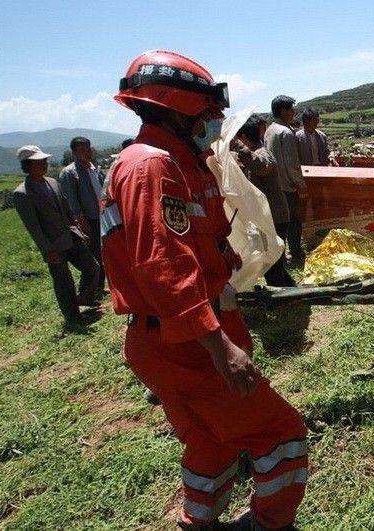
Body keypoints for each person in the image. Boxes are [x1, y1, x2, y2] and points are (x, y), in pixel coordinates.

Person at [103, 50, 308, 529]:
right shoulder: (153, 167)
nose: (214, 122)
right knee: (279, 434)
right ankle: (270, 524)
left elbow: (186, 242)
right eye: (206, 114)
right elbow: (162, 265)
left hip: (167, 339)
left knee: (211, 442)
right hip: (189, 343)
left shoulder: (181, 164)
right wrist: (219, 346)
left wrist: (222, 257)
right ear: (176, 111)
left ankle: (197, 521)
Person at [13, 145, 100, 326]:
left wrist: (77, 229)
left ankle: (84, 297)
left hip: (71, 236)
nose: (44, 164)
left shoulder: (52, 182)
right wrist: (47, 249)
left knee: (93, 267)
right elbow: (33, 226)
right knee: (64, 283)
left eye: (44, 161)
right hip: (53, 245)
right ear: (27, 165)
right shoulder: (22, 193)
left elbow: (67, 209)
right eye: (38, 162)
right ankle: (73, 318)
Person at [232, 113, 295, 287]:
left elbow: (261, 165)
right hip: (269, 217)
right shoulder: (252, 155)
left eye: (239, 138)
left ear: (244, 137)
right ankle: (291, 291)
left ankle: (281, 299)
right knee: (274, 260)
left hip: (276, 217)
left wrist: (238, 147)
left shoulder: (263, 153)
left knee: (271, 262)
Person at [58, 136, 106, 290]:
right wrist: (80, 220)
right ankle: (90, 289)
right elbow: (71, 199)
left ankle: (100, 285)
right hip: (88, 218)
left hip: (102, 216)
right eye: (82, 150)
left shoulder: (94, 168)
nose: (87, 152)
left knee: (103, 251)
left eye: (88, 148)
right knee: (93, 254)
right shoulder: (70, 172)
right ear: (74, 152)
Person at [264, 95, 307, 263]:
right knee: (294, 222)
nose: (293, 112)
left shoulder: (269, 130)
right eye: (291, 109)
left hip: (274, 185)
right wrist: (301, 185)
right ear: (283, 111)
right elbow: (292, 164)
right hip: (287, 185)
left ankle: (280, 257)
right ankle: (296, 254)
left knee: (279, 224)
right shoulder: (286, 132)